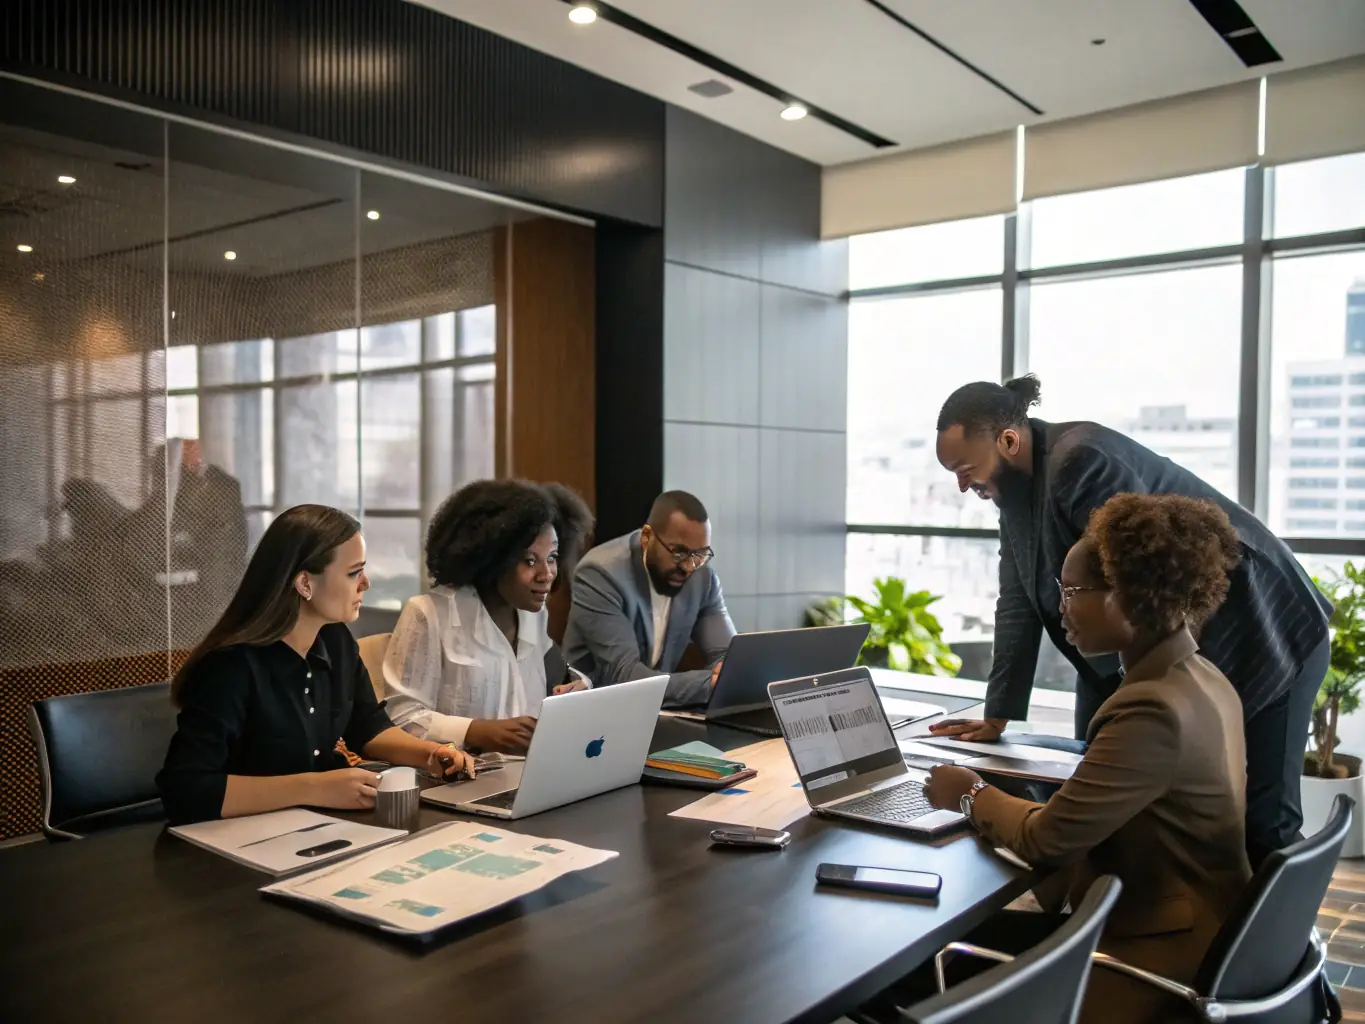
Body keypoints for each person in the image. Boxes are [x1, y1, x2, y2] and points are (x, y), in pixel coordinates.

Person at [930, 375, 1332, 868]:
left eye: (966, 469)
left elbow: (1141, 581)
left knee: (1264, 821)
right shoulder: (1013, 490)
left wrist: (974, 796)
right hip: (1175, 643)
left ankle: (1264, 943)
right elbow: (1017, 600)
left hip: (1270, 629)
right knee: (1097, 789)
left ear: (1008, 441)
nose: (962, 484)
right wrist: (999, 712)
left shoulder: (1081, 461)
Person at [921, 494, 1253, 1024]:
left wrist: (966, 790)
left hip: (1155, 956)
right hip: (1208, 930)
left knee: (917, 964)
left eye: (1072, 591)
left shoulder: (1152, 708)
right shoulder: (1203, 678)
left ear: (1125, 596)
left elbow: (1047, 839)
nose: (1061, 607)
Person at [157, 504, 476, 825]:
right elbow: (185, 791)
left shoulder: (336, 641)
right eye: (354, 572)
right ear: (305, 583)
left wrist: (431, 754)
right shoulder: (230, 666)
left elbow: (369, 728)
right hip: (234, 839)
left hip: (311, 827)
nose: (366, 583)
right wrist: (313, 788)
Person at [382, 479, 594, 755]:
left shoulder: (533, 613)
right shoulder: (429, 614)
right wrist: (476, 732)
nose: (547, 574)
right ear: (491, 559)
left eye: (552, 557)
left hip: (528, 774)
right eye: (530, 561)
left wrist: (578, 686)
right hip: (455, 782)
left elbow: (546, 680)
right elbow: (398, 719)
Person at [563, 490, 734, 706]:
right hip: (592, 710)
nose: (689, 567)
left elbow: (728, 657)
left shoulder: (703, 578)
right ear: (646, 537)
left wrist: (725, 673)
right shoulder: (600, 573)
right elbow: (625, 676)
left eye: (699, 555)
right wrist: (709, 683)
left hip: (655, 709)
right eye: (679, 553)